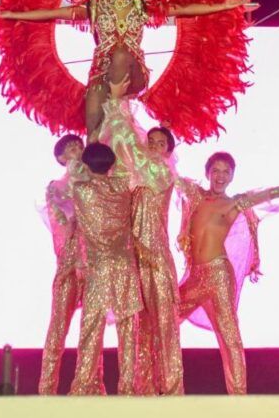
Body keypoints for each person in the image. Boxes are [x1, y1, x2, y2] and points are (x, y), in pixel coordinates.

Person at [0, 0, 245, 140]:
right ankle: (95, 160)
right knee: (92, 124)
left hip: (132, 72)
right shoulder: (94, 7)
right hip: (101, 74)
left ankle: (115, 108)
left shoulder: (143, 7)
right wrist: (13, 14)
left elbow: (186, 10)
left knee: (121, 53)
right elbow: (51, 13)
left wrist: (223, 6)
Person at [177, 152, 279, 395]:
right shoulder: (195, 196)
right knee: (164, 321)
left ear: (232, 176)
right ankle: (167, 390)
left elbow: (269, 194)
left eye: (226, 172)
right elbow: (168, 172)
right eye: (215, 170)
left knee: (230, 339)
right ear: (207, 173)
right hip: (195, 277)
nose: (220, 176)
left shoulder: (234, 203)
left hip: (218, 275)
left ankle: (239, 400)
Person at [100, 76, 183, 395]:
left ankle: (173, 391)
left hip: (158, 261)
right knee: (137, 327)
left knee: (165, 327)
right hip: (135, 257)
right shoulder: (139, 173)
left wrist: (119, 105)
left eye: (161, 143)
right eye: (152, 142)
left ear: (169, 151)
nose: (154, 146)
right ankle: (141, 389)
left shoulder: (162, 172)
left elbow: (127, 143)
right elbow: (124, 150)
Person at [67, 142, 141, 395]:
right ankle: (128, 388)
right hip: (124, 265)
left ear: (87, 164)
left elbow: (74, 169)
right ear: (111, 164)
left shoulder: (81, 190)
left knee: (91, 328)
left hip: (99, 266)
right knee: (128, 329)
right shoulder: (122, 186)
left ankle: (84, 386)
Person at [38, 134, 86, 395]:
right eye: (70, 148)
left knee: (90, 334)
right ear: (61, 157)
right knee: (57, 329)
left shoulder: (95, 183)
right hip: (69, 266)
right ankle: (46, 391)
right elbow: (63, 228)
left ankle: (88, 387)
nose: (76, 150)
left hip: (92, 267)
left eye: (79, 146)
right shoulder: (56, 187)